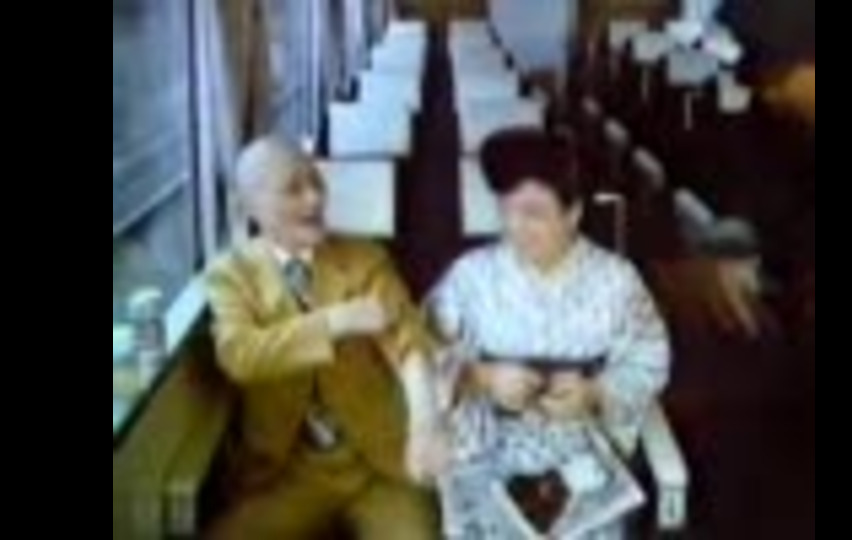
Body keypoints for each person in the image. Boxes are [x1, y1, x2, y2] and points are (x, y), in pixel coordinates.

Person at [429, 128, 672, 539]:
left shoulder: (616, 281)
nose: (515, 227)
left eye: (533, 214)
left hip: (581, 450)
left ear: (573, 213)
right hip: (489, 445)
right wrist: (480, 377)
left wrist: (595, 392)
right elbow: (422, 352)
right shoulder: (470, 277)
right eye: (506, 211)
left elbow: (649, 360)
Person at [204, 137, 443, 540]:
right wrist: (333, 322)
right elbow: (239, 355)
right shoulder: (231, 274)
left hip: (376, 466)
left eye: (316, 182)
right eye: (293, 189)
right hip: (285, 473)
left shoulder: (365, 257)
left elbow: (409, 345)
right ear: (249, 207)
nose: (314, 198)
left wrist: (424, 422)